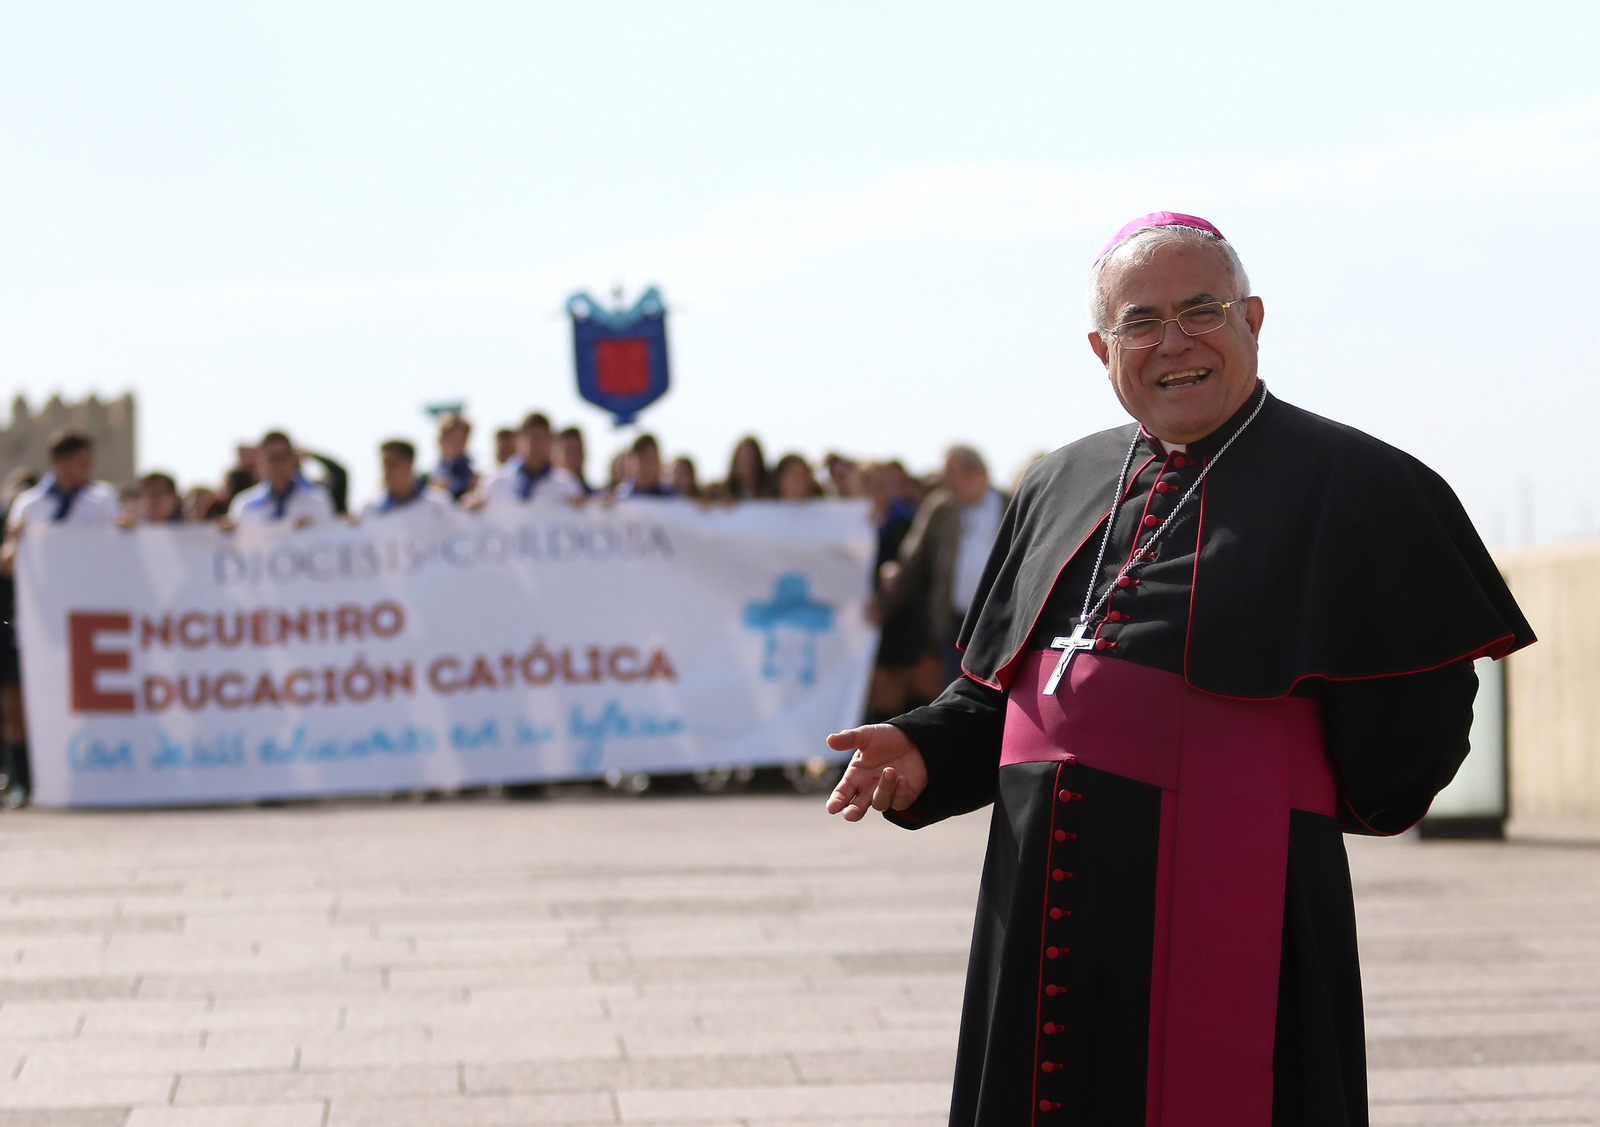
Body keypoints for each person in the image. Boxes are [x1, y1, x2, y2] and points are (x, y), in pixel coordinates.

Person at [824, 212, 1535, 1127]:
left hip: (1235, 909)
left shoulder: (1360, 486)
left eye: (1202, 309)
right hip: (1043, 907)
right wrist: (924, 746)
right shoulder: (1057, 482)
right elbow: (1001, 687)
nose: (1175, 343)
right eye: (1141, 322)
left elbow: (1414, 729)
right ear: (1101, 347)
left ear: (1255, 319)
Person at [1, 432, 120, 806]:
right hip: (39, 621)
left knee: (85, 701)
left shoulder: (103, 501)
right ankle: (26, 780)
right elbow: (9, 564)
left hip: (88, 615)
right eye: (81, 461)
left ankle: (91, 773)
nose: (88, 469)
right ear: (62, 462)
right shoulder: (30, 505)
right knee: (24, 704)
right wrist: (16, 544)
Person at [878, 446, 1006, 687]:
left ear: (974, 473)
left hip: (1002, 622)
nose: (945, 480)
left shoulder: (1011, 504)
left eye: (951, 473)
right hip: (956, 624)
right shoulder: (941, 508)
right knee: (958, 689)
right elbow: (913, 557)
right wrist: (892, 582)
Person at [228, 431, 337, 528]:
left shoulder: (317, 500)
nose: (278, 465)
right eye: (272, 458)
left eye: (283, 457)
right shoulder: (244, 505)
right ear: (261, 462)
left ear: (293, 460)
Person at [476, 413, 583, 509]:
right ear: (519, 439)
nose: (536, 445)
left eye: (543, 439)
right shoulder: (495, 482)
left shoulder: (567, 485)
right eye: (533, 438)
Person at [362, 440, 454, 521]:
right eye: (384, 464)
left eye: (392, 464)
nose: (387, 470)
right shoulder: (370, 510)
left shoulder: (438, 506)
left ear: (409, 464)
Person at [431, 413, 478, 500]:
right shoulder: (427, 479)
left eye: (462, 440)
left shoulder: (477, 476)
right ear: (441, 441)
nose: (458, 445)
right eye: (453, 440)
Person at [613, 434, 677, 499]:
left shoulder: (672, 498)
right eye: (643, 458)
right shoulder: (619, 498)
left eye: (652, 458)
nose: (648, 465)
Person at [723, 436, 776, 500]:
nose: (748, 467)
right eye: (743, 461)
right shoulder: (725, 493)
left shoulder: (773, 492)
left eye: (751, 461)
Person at [555, 426, 594, 495]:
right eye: (569, 451)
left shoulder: (595, 496)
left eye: (578, 450)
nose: (574, 456)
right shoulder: (541, 493)